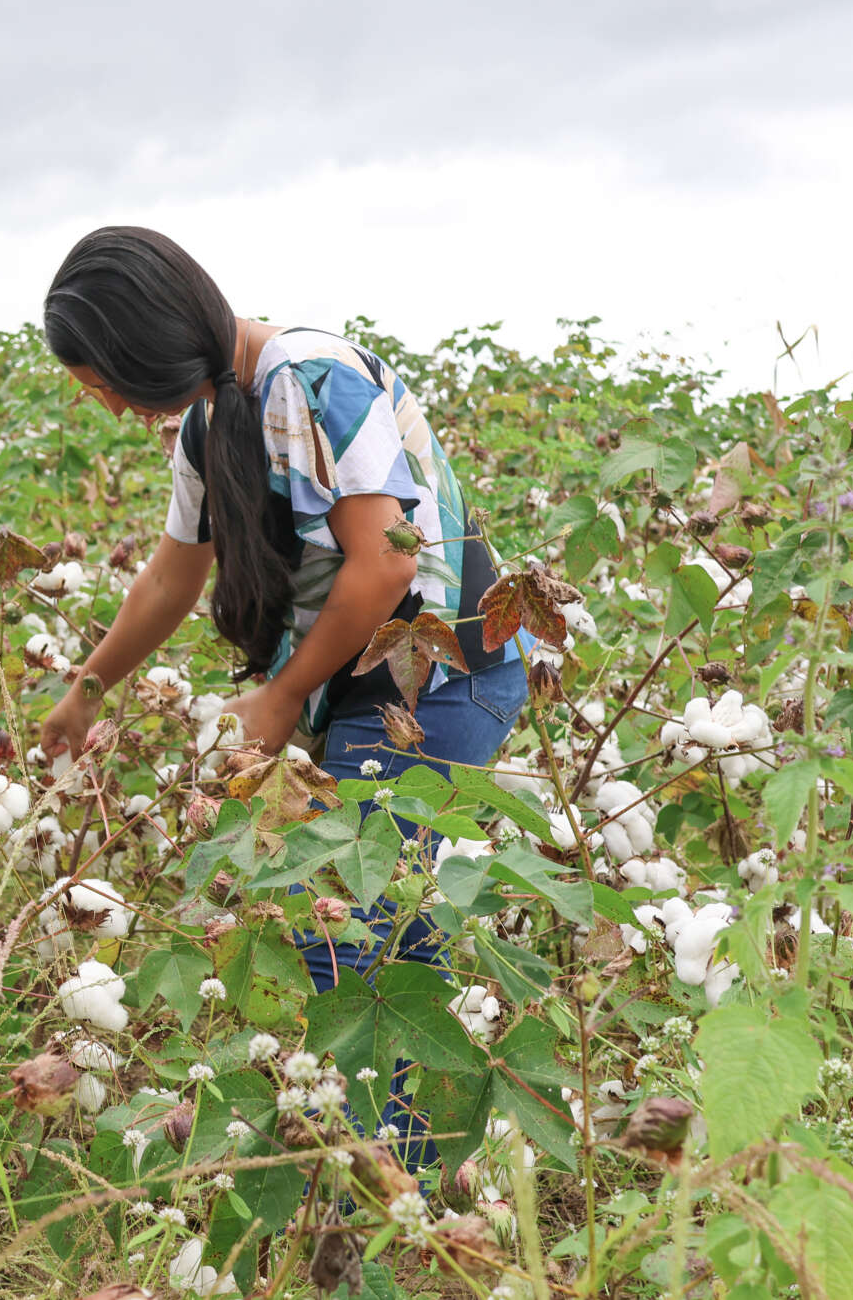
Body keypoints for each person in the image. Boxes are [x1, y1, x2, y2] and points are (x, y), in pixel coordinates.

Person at [36, 225, 530, 994]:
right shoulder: (210, 422)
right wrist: (85, 692)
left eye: (104, 384)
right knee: (386, 928)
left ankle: (385, 1115)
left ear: (145, 346)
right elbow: (172, 576)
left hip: (438, 681)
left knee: (348, 932)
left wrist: (285, 692)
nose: (110, 406)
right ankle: (407, 1113)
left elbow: (387, 559)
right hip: (363, 684)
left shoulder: (309, 378)